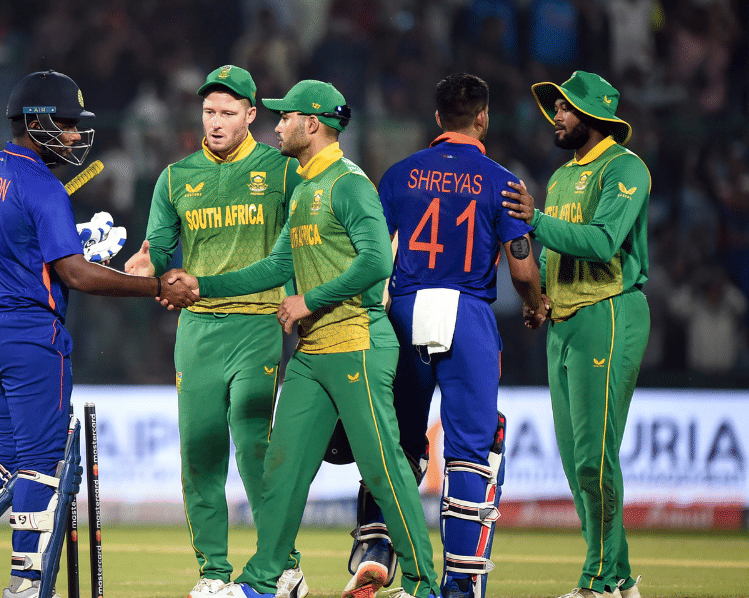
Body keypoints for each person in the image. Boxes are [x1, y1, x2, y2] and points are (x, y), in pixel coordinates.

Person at [0, 70, 198, 598]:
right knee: (42, 467)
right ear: (36, 122)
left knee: (3, 455)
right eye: (68, 125)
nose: (76, 136)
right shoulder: (43, 185)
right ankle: (26, 587)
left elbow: (20, 248)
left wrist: (72, 244)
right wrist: (151, 287)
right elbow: (75, 275)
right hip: (31, 335)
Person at [172, 80, 441, 598]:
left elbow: (378, 261)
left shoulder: (348, 184)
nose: (275, 126)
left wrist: (308, 301)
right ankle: (261, 581)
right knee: (281, 472)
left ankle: (427, 586)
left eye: (284, 118)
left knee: (384, 470)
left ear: (312, 124)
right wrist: (201, 286)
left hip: (357, 343)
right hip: (314, 353)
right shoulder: (303, 184)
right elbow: (276, 265)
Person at [346, 73, 545, 598]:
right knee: (471, 453)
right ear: (483, 117)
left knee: (395, 441)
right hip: (469, 314)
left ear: (436, 119)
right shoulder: (503, 182)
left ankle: (376, 549)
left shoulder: (398, 175)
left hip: (406, 308)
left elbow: (371, 252)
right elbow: (521, 269)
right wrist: (535, 305)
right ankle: (461, 583)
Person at [122, 64, 305, 598]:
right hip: (198, 332)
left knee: (253, 448)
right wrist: (143, 263)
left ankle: (284, 565)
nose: (217, 121)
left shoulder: (281, 168)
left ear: (252, 115)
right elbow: (156, 248)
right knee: (199, 454)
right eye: (209, 111)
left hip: (258, 324)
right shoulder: (176, 178)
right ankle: (214, 575)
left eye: (228, 112)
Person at [501, 70, 650, 598]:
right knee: (576, 462)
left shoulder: (624, 168)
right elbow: (553, 251)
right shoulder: (564, 175)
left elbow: (605, 241)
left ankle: (601, 580)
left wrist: (536, 220)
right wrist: (540, 299)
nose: (556, 116)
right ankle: (619, 580)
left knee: (594, 457)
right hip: (564, 322)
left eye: (565, 107)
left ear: (592, 115)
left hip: (608, 313)